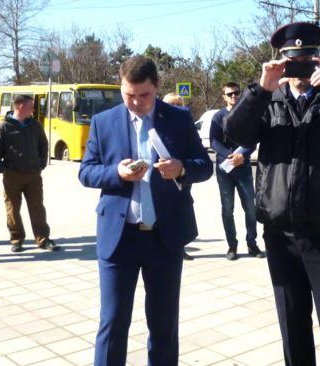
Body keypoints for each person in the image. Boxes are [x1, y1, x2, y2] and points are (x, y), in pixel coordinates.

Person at [224, 22, 320, 366]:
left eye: (307, 58)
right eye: (291, 59)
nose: (299, 66)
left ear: (318, 60)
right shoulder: (267, 100)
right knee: (293, 329)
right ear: (279, 60)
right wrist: (260, 90)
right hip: (279, 235)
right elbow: (233, 131)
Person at [79, 56, 213, 366]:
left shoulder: (178, 119)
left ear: (156, 87)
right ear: (120, 87)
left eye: (144, 95)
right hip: (119, 237)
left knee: (164, 325)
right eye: (129, 95)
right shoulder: (104, 121)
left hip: (163, 238)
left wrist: (181, 169)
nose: (136, 102)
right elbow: (86, 172)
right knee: (112, 324)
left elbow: (204, 166)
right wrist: (117, 173)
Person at [0, 94, 58, 253]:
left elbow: (43, 145)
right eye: (31, 106)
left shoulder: (35, 125)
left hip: (33, 175)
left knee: (37, 208)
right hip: (12, 175)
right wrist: (0, 168)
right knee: (12, 209)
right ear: (20, 106)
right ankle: (16, 239)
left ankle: (43, 239)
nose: (33, 109)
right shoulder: (3, 127)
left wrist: (41, 163)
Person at [210, 82, 262, 261]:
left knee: (250, 208)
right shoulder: (218, 116)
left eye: (236, 93)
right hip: (225, 169)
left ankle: (252, 243)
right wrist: (229, 155)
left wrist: (243, 155)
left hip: (243, 168)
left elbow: (253, 140)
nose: (234, 96)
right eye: (229, 94)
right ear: (223, 96)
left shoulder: (247, 115)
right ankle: (232, 245)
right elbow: (214, 142)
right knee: (227, 209)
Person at [162, 92, 196, 261]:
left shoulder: (185, 127)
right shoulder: (158, 126)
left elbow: (198, 158)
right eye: (171, 105)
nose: (175, 109)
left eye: (179, 105)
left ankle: (181, 246)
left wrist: (184, 168)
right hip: (163, 178)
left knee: (182, 209)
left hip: (182, 177)